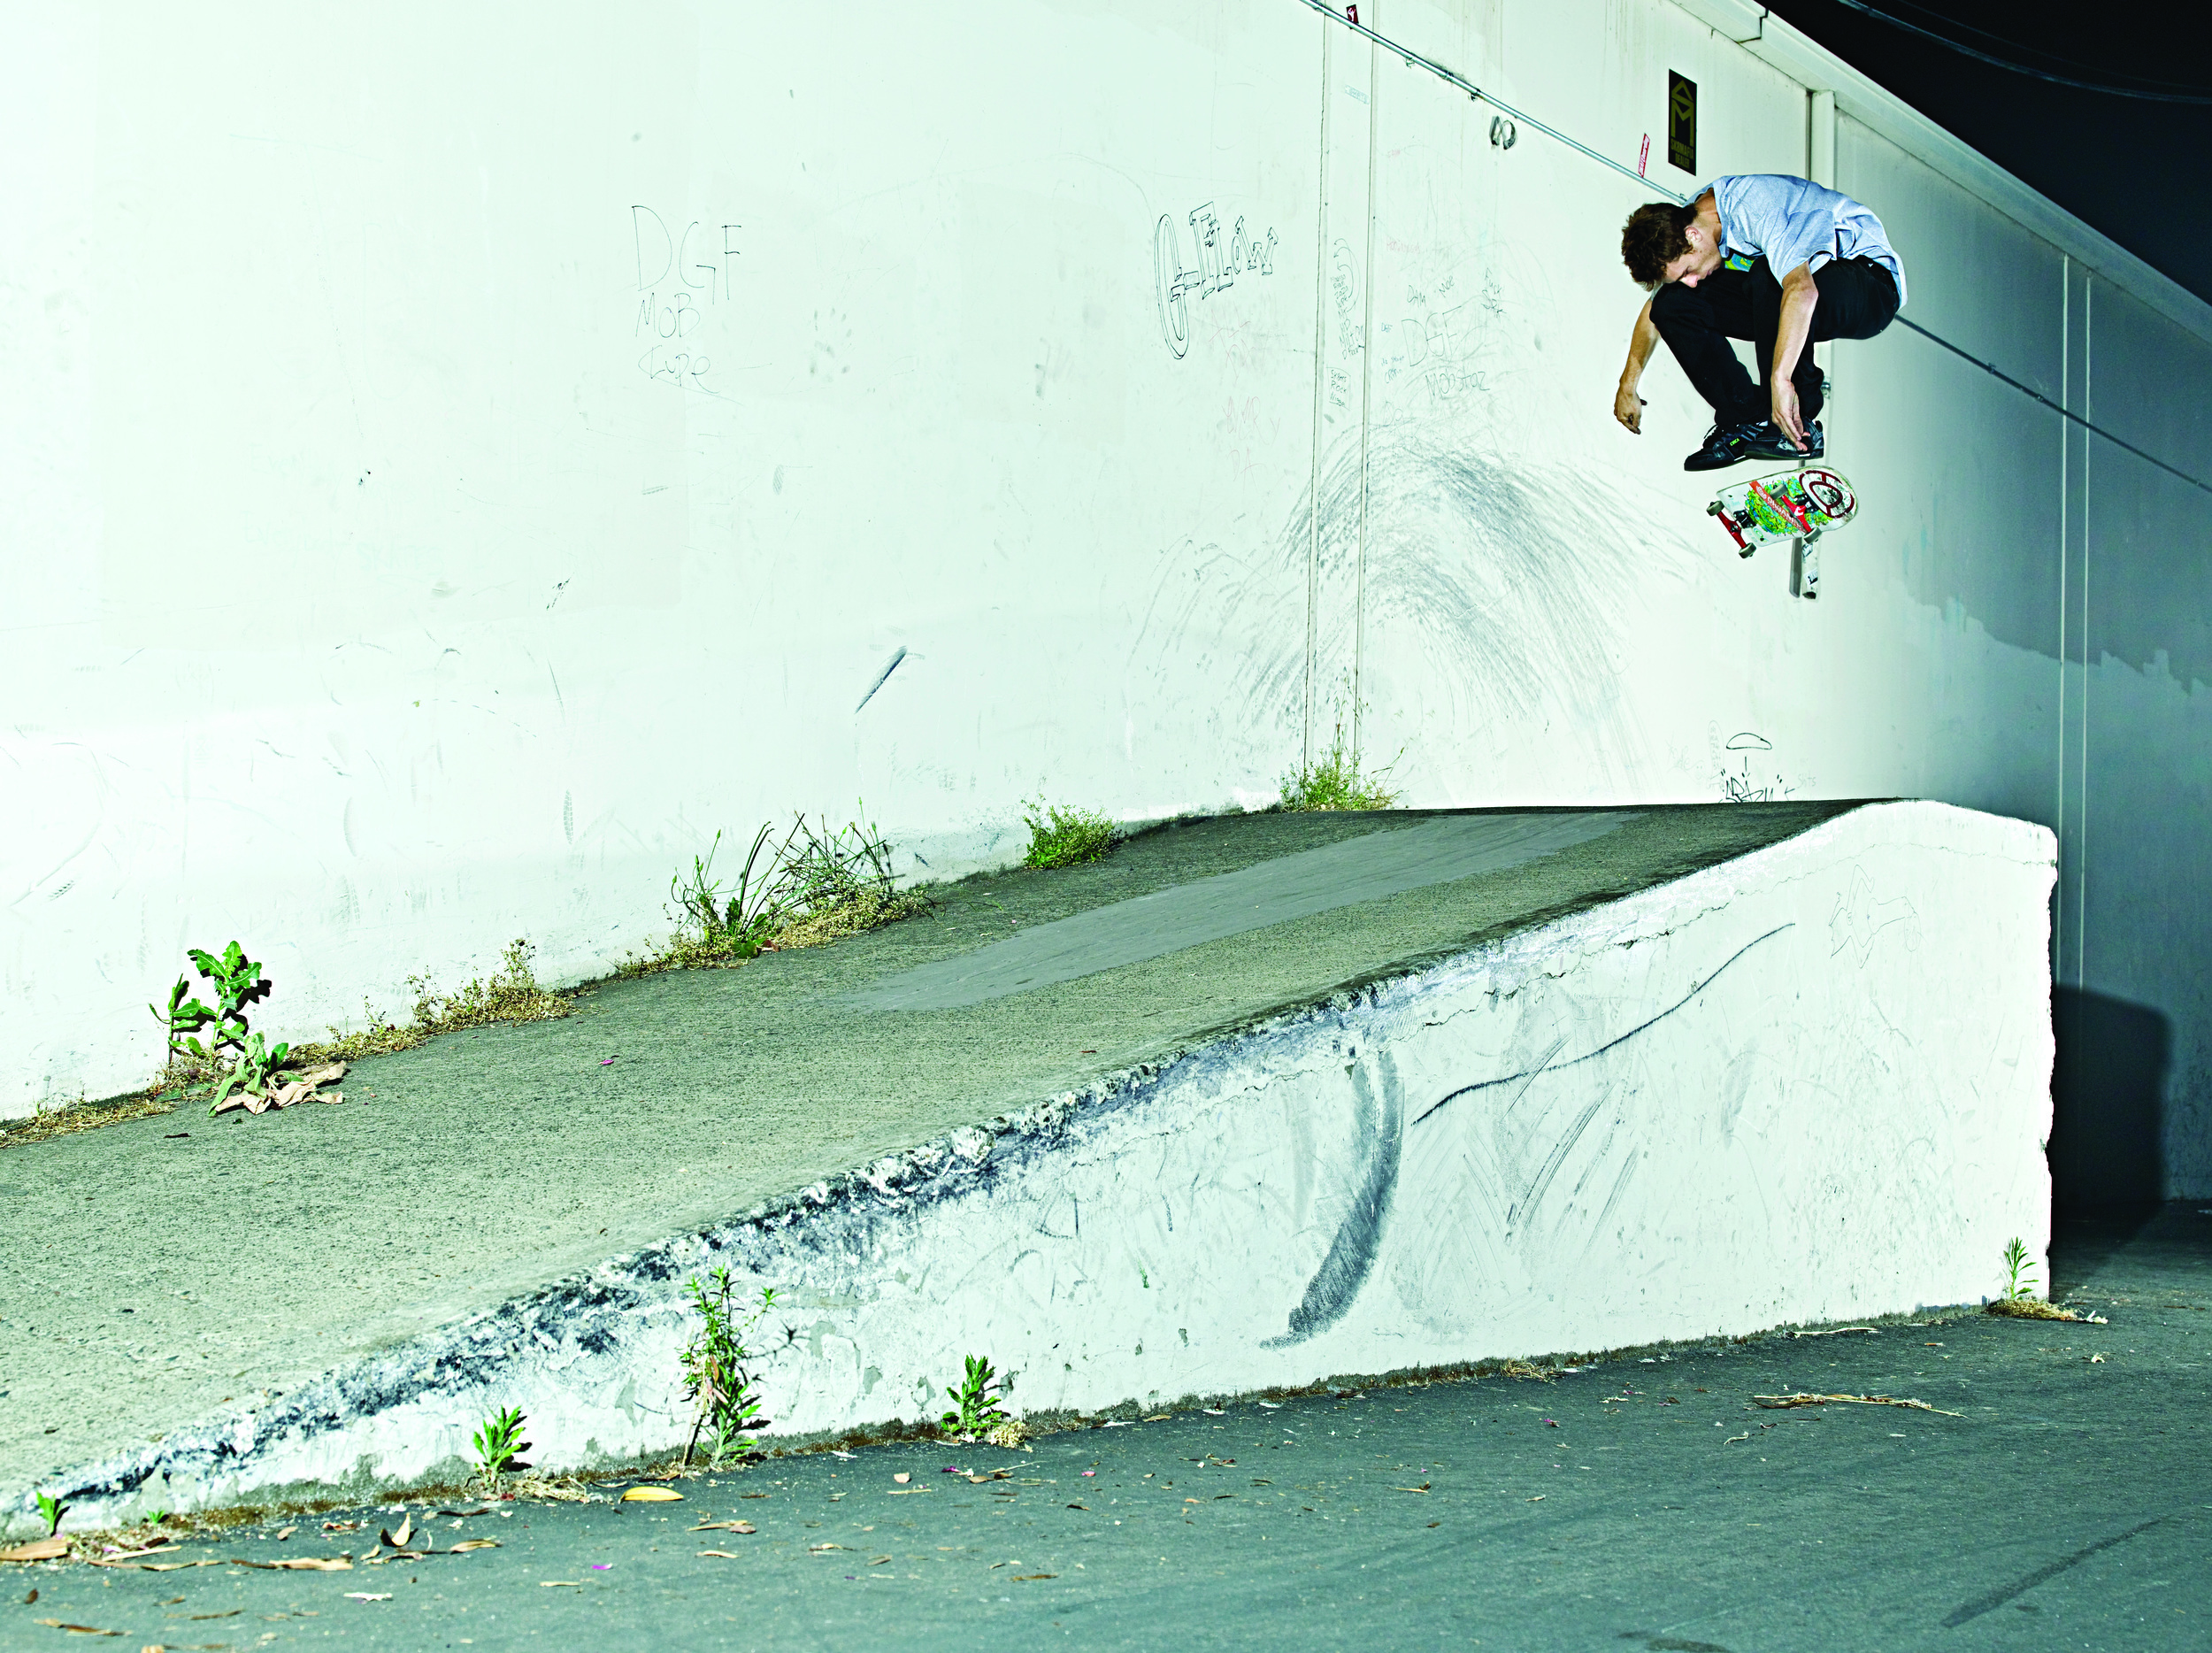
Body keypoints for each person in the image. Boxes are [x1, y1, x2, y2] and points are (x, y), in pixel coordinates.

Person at [1613, 174, 1905, 472]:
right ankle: (1746, 419)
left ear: (1693, 236)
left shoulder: (1754, 207)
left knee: (1768, 275)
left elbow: (1801, 289)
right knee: (1671, 304)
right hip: (1799, 288)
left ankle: (1799, 421)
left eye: (1688, 270)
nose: (1691, 281)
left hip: (1869, 284)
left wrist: (1781, 379)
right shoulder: (1686, 223)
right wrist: (1628, 384)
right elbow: (1653, 314)